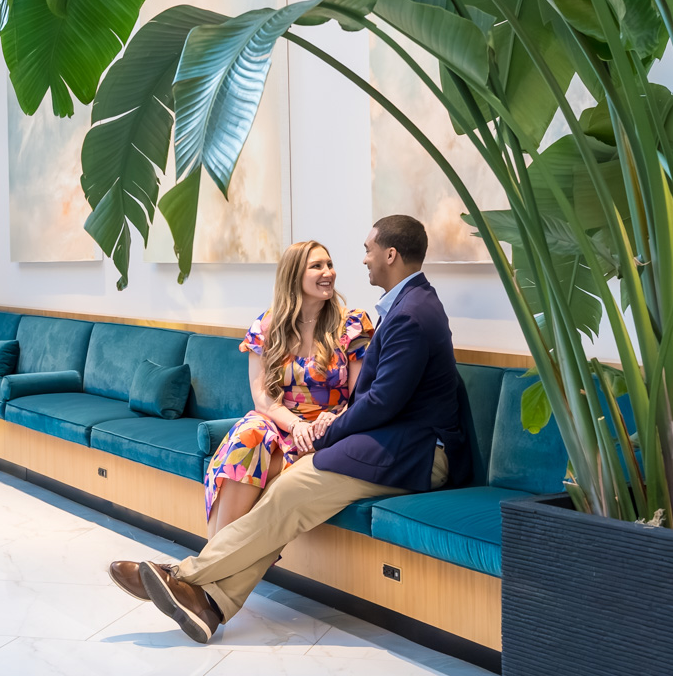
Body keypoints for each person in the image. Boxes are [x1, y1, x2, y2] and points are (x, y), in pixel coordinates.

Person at [108, 215, 471, 643]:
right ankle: (208, 605)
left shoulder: (410, 314)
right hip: (394, 441)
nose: (363, 260)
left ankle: (181, 575)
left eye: (368, 250)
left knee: (289, 491)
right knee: (281, 480)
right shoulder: (408, 306)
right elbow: (370, 402)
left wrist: (325, 432)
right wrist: (321, 428)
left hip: (419, 453)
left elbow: (379, 402)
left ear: (391, 255)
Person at [203, 240, 373, 537]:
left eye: (329, 265)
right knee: (246, 437)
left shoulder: (352, 323)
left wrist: (331, 421)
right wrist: (295, 425)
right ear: (294, 275)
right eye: (317, 266)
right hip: (281, 421)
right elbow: (262, 398)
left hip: (329, 426)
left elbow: (362, 395)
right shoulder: (267, 326)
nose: (328, 273)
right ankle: (212, 565)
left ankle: (207, 567)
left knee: (248, 469)